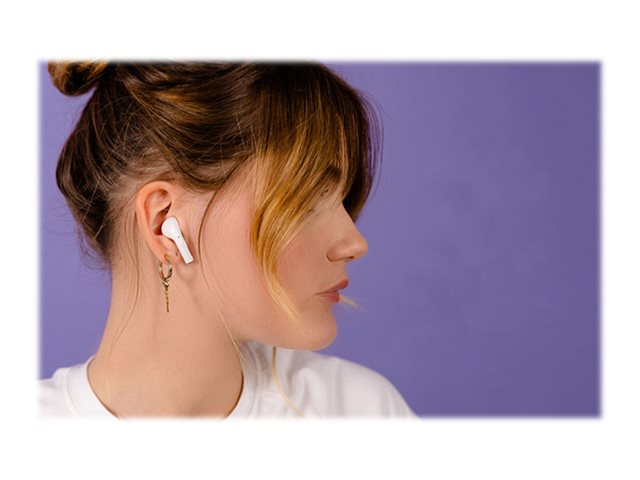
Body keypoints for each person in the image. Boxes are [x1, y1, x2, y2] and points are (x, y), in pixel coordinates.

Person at [39, 61, 417, 419]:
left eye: (341, 199)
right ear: (165, 223)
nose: (355, 243)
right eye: (305, 201)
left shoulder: (362, 411)